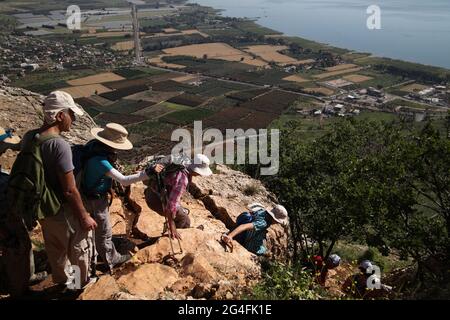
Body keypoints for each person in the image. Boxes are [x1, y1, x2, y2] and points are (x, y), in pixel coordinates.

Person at [27, 91, 97, 291]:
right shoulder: (60, 145)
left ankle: (61, 280)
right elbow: (69, 189)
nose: (73, 119)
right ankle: (76, 286)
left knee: (55, 247)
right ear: (60, 116)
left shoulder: (30, 137)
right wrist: (84, 216)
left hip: (41, 206)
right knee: (77, 248)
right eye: (71, 114)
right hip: (62, 208)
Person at [80, 123, 156, 272]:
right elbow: (124, 180)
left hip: (89, 194)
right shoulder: (101, 161)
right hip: (95, 199)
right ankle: (111, 260)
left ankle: (95, 252)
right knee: (104, 232)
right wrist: (148, 173)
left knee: (96, 230)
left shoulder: (93, 147)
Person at [145, 154, 213, 240]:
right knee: (183, 219)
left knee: (186, 220)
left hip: (152, 192)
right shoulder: (182, 180)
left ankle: (187, 232)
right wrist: (172, 225)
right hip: (157, 200)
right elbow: (171, 205)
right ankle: (171, 237)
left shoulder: (184, 163)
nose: (200, 175)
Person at [221, 203, 289, 256]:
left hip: (246, 232)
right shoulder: (263, 223)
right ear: (274, 219)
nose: (277, 223)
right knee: (262, 249)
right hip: (247, 239)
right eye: (278, 221)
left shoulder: (262, 211)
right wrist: (230, 236)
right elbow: (244, 226)